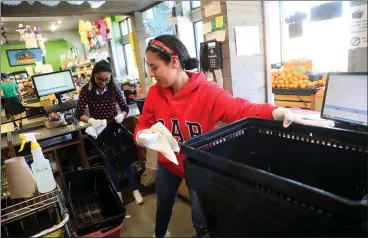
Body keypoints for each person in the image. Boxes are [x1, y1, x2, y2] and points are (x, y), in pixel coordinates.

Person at [134, 35, 334, 237]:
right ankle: (160, 234)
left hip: (197, 165)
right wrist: (142, 135)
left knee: (201, 217)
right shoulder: (154, 93)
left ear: (174, 61)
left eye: (155, 67)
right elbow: (143, 122)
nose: (152, 73)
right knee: (163, 204)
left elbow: (241, 108)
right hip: (168, 164)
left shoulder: (207, 92)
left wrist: (275, 112)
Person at [75, 60, 144, 205]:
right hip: (99, 130)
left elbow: (125, 107)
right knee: (110, 162)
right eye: (100, 79)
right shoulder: (86, 90)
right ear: (94, 76)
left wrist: (121, 115)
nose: (103, 83)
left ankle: (134, 188)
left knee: (124, 159)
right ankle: (117, 192)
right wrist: (91, 120)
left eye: (106, 79)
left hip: (114, 128)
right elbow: (78, 113)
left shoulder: (113, 87)